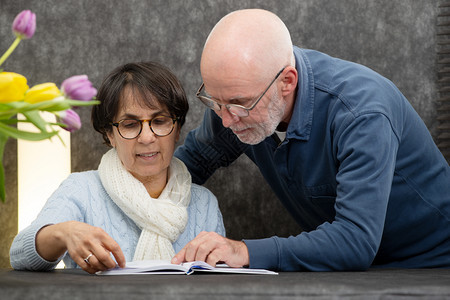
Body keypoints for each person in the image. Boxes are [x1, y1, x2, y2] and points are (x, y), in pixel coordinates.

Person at [172, 9, 450, 271]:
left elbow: (355, 240)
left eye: (239, 104)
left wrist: (243, 251)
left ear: (287, 82)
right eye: (214, 100)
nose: (226, 121)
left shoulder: (363, 112)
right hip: (347, 269)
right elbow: (185, 169)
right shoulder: (234, 102)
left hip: (431, 264)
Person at [10, 62, 225, 274]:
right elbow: (19, 255)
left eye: (160, 121)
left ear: (177, 130)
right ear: (109, 135)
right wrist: (63, 233)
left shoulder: (204, 204)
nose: (147, 137)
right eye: (130, 125)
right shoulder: (81, 190)